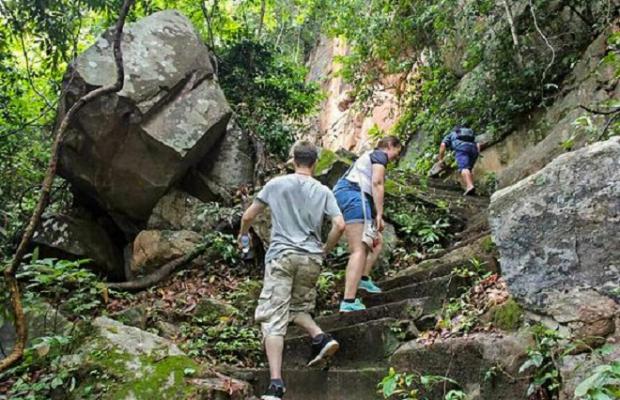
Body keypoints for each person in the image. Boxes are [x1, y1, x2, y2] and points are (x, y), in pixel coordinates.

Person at [238, 141, 346, 400]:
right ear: (315, 162)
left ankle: (276, 384)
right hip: (311, 258)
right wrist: (324, 250)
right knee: (297, 309)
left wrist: (242, 236)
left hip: (282, 256)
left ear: (292, 160)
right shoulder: (323, 190)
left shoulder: (276, 184)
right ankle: (320, 337)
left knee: (272, 318)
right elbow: (339, 225)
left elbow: (248, 217)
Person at [332, 136, 402, 313]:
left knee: (376, 242)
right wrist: (379, 213)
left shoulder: (369, 157)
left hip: (356, 197)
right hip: (353, 195)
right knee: (359, 249)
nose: (395, 157)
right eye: (396, 152)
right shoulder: (379, 155)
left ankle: (363, 278)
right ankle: (348, 300)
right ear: (389, 146)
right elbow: (377, 183)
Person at [438, 126, 481, 196]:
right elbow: (478, 144)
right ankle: (470, 186)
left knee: (464, 168)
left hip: (462, 149)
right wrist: (477, 154)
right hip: (474, 149)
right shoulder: (468, 134)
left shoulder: (451, 134)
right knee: (469, 169)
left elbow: (443, 145)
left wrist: (440, 159)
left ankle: (470, 186)